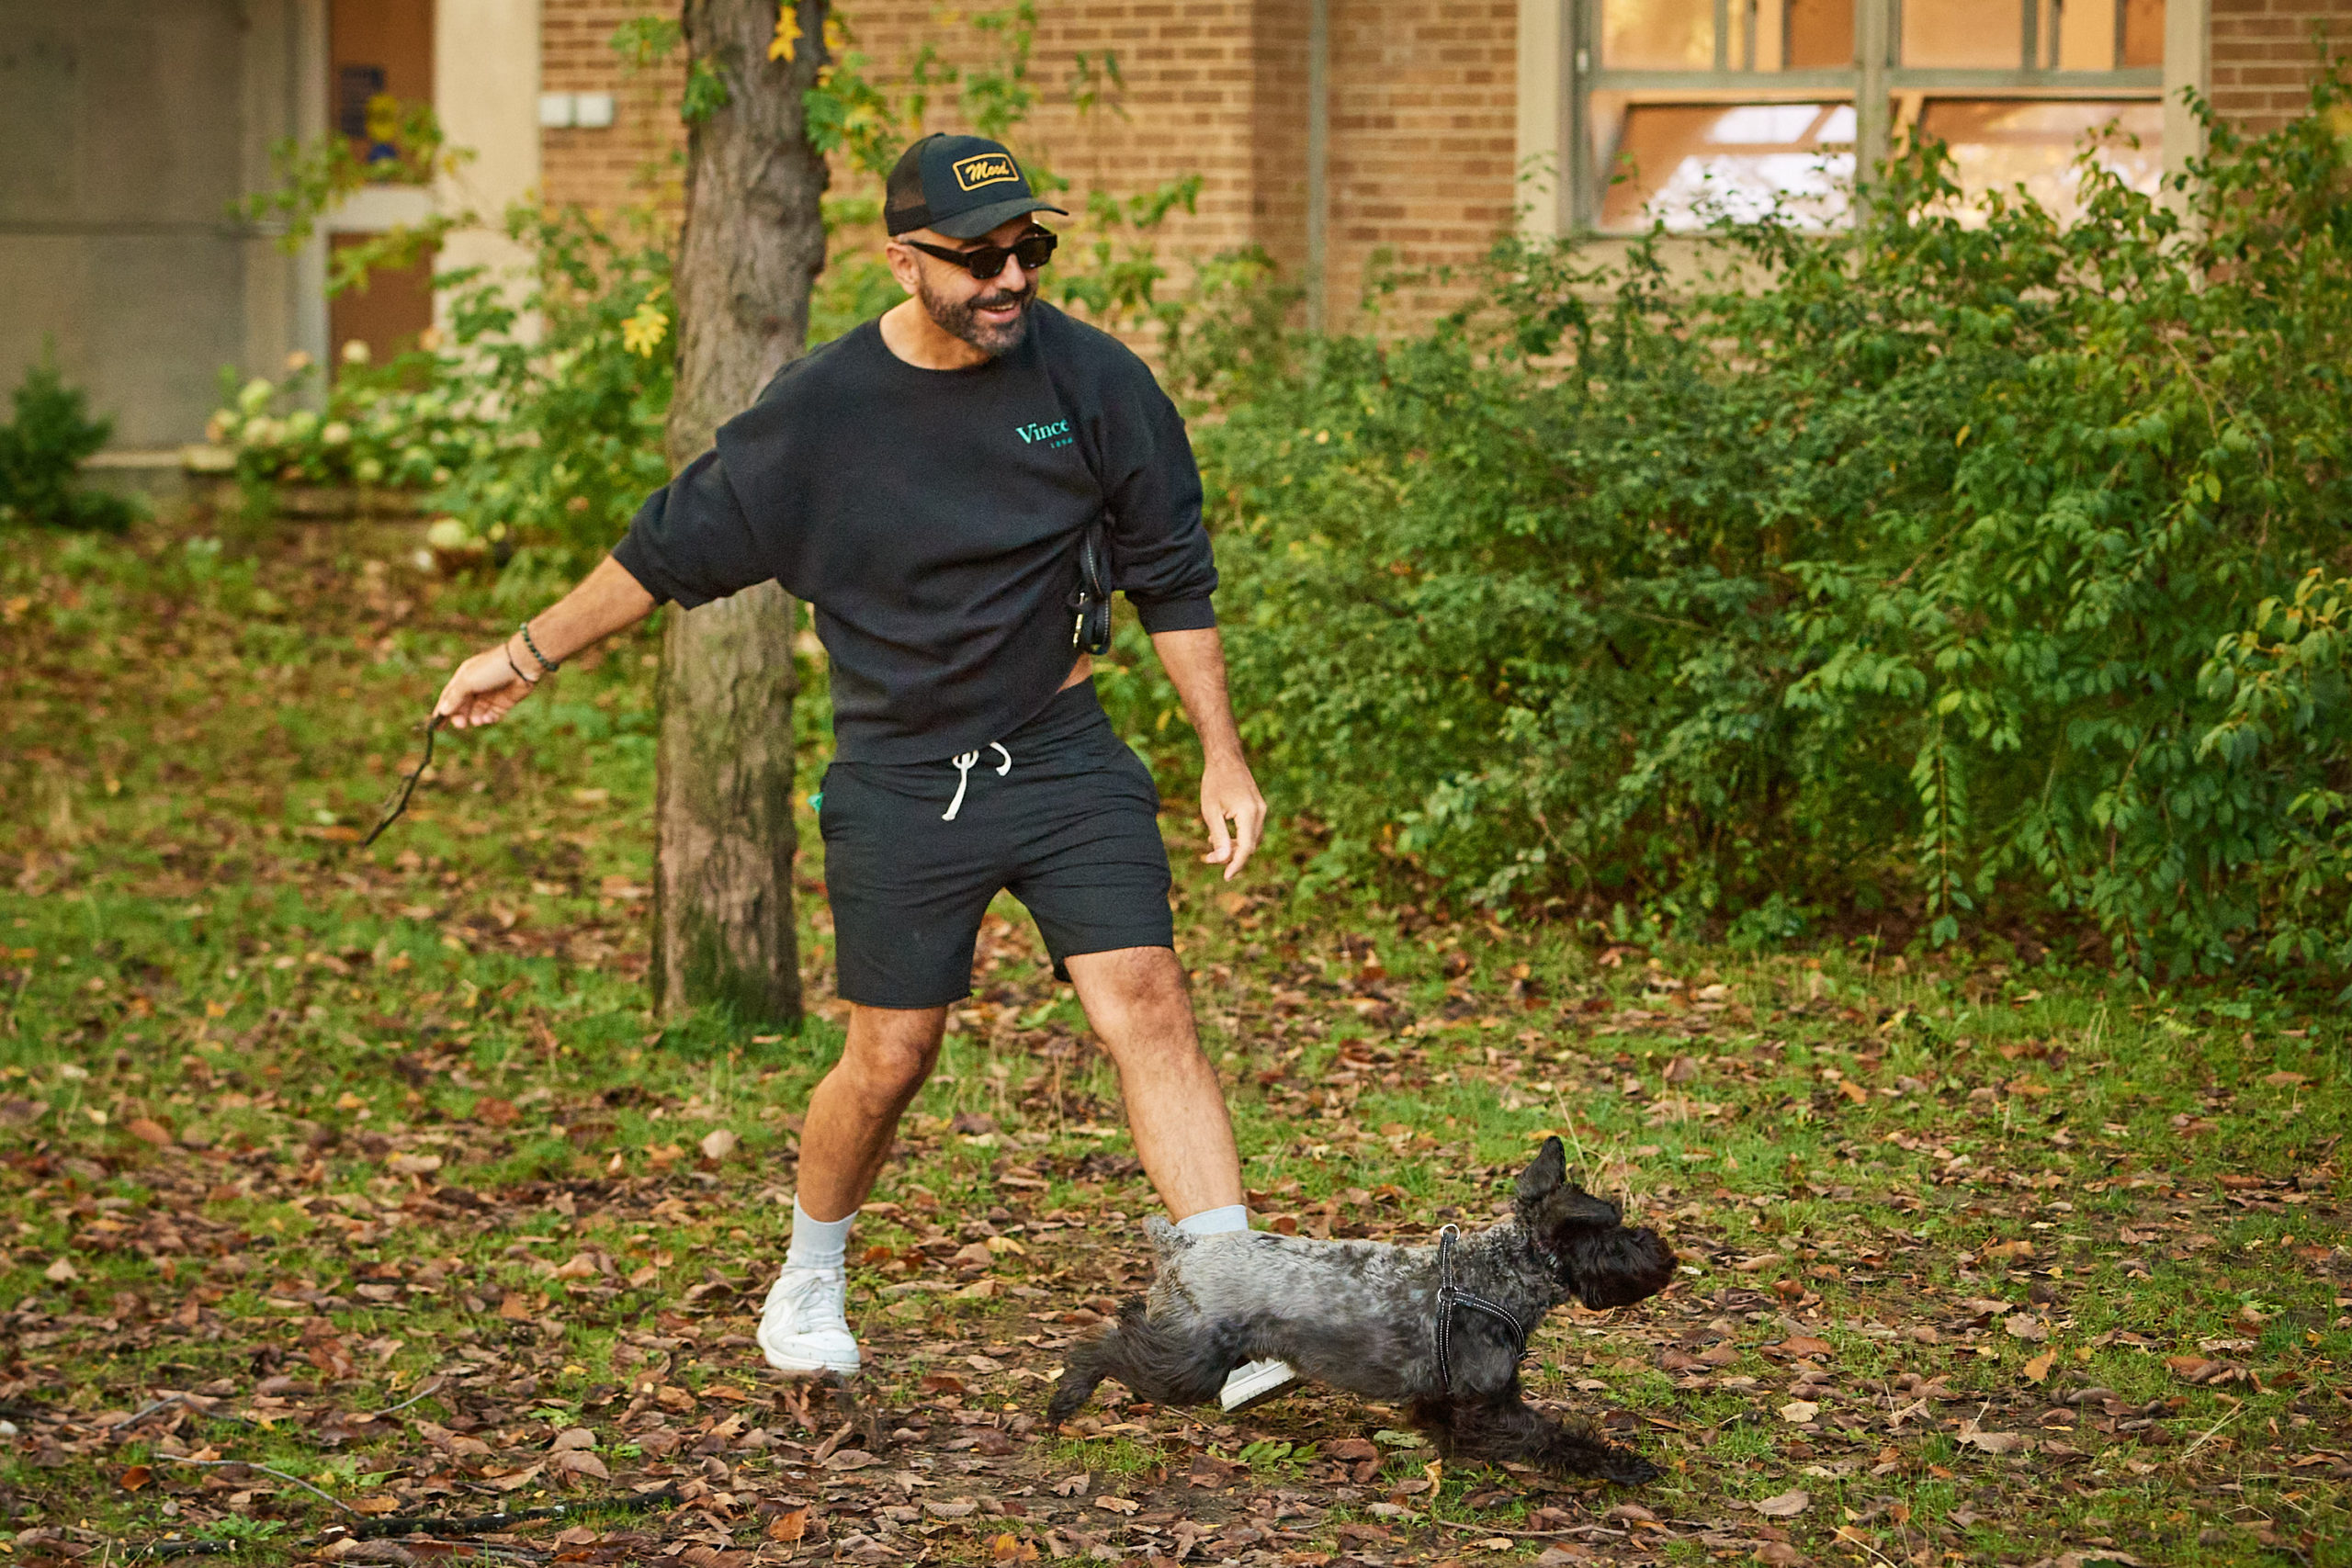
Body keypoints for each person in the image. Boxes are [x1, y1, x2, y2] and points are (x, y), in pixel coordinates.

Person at [430, 133, 1295, 1411]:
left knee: (1148, 998)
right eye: (979, 257)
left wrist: (1222, 756)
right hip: (901, 775)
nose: (1011, 278)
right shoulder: (820, 414)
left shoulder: (1097, 382)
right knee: (893, 1055)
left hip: (1064, 753)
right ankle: (809, 1277)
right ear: (903, 260)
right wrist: (524, 653)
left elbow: (1172, 572)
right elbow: (665, 553)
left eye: (1029, 250)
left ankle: (1232, 1301)